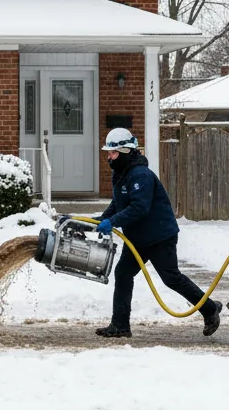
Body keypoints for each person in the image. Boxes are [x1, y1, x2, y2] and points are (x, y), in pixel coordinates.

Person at [94, 128, 222, 338]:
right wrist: (99, 221)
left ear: (125, 151)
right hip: (138, 238)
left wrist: (113, 222)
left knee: (171, 278)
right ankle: (120, 326)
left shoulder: (140, 175)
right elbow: (117, 205)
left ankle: (209, 310)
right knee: (123, 273)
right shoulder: (121, 174)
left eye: (113, 153)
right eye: (108, 152)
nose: (109, 157)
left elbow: (139, 208)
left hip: (159, 236)